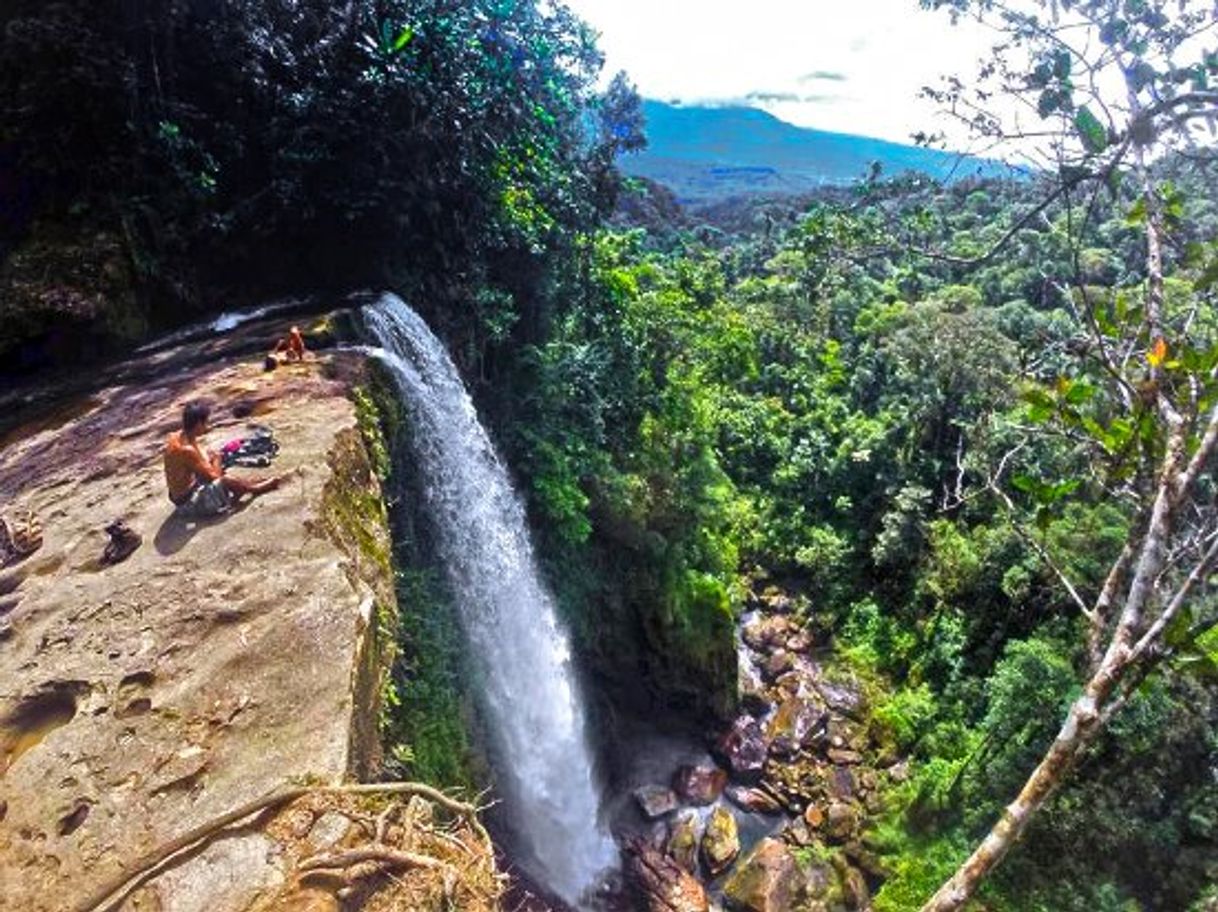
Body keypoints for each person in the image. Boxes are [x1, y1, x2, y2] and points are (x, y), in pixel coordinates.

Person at [164, 401, 281, 517]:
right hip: (187, 502)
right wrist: (217, 459)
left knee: (215, 464)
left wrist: (211, 459)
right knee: (224, 478)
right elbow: (215, 478)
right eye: (206, 423)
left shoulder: (175, 437)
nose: (207, 427)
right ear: (199, 423)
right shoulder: (186, 450)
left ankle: (244, 485)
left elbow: (194, 461)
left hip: (180, 493)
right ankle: (253, 489)